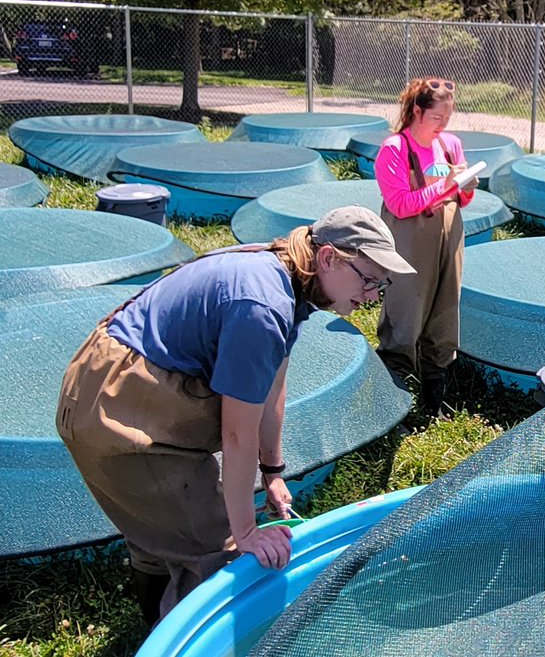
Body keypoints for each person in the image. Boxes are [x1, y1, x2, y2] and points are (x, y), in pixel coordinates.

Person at [55, 207, 415, 624]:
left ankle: (151, 619)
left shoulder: (288, 273)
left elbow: (272, 386)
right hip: (115, 407)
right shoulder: (262, 305)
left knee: (164, 524)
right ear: (329, 258)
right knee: (218, 550)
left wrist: (273, 470)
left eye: (381, 286)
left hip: (117, 384)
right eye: (369, 281)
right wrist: (244, 534)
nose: (372, 297)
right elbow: (238, 432)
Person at [374, 76, 478, 416]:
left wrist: (465, 186)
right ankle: (393, 408)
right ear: (417, 111)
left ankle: (435, 403)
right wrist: (445, 186)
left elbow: (462, 200)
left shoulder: (450, 144)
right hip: (409, 239)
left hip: (449, 236)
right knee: (405, 316)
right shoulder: (394, 149)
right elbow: (400, 204)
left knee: (444, 313)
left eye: (447, 119)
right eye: (436, 118)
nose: (442, 126)